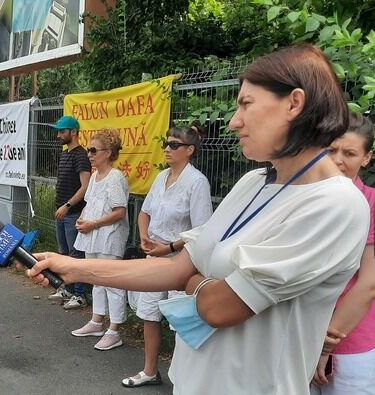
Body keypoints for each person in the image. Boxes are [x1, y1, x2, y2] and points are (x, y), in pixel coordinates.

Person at [28, 44, 369, 395]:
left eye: (246, 104)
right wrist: (74, 267)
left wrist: (195, 283)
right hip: (194, 382)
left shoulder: (336, 204)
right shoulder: (253, 182)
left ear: (294, 104)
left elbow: (221, 307)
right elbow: (175, 269)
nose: (234, 121)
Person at [122, 125, 213, 387]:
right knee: (149, 314)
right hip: (154, 254)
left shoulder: (197, 182)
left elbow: (201, 230)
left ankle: (183, 378)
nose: (167, 149)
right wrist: (143, 237)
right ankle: (150, 371)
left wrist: (171, 247)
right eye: (166, 143)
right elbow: (144, 212)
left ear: (189, 150)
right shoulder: (162, 177)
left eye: (174, 145)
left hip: (180, 259)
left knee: (179, 319)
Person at [311, 112, 375, 395]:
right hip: (299, 337)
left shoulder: (372, 202)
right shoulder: (307, 200)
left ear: (366, 158)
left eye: (349, 153)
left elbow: (369, 283)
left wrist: (325, 344)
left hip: (350, 345)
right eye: (331, 150)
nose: (337, 160)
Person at [69, 128, 129, 350]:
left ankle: (114, 330)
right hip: (93, 236)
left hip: (109, 237)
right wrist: (83, 219)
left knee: (111, 281)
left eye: (94, 150)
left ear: (108, 152)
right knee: (96, 279)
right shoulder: (94, 176)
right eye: (88, 150)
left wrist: (93, 223)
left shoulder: (115, 177)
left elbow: (119, 211)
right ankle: (97, 321)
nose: (90, 154)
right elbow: (90, 203)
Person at [47, 115, 92, 309]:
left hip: (73, 213)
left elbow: (85, 187)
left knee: (76, 255)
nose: (58, 135)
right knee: (64, 253)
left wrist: (67, 206)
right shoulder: (66, 153)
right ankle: (68, 288)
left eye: (62, 131)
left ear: (73, 132)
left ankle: (80, 294)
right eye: (58, 131)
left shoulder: (81, 155)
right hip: (63, 212)